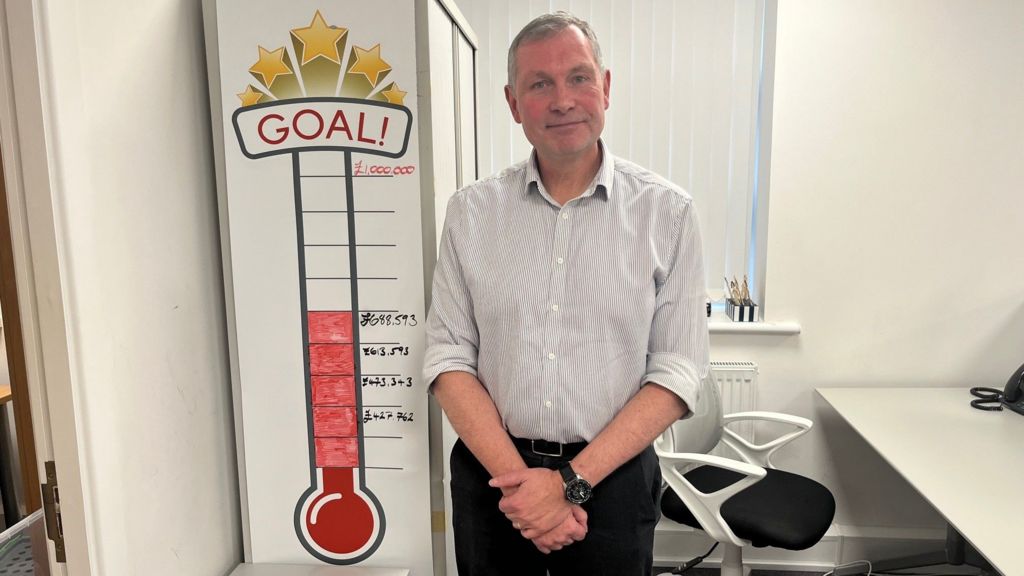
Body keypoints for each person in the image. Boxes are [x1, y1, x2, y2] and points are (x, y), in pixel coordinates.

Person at [423, 11, 710, 576]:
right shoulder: (471, 212)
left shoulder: (667, 213)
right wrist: (528, 491)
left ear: (605, 87)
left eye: (579, 77)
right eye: (539, 84)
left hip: (614, 479)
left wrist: (568, 485)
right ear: (512, 103)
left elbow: (677, 371)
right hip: (495, 480)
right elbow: (449, 358)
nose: (562, 100)